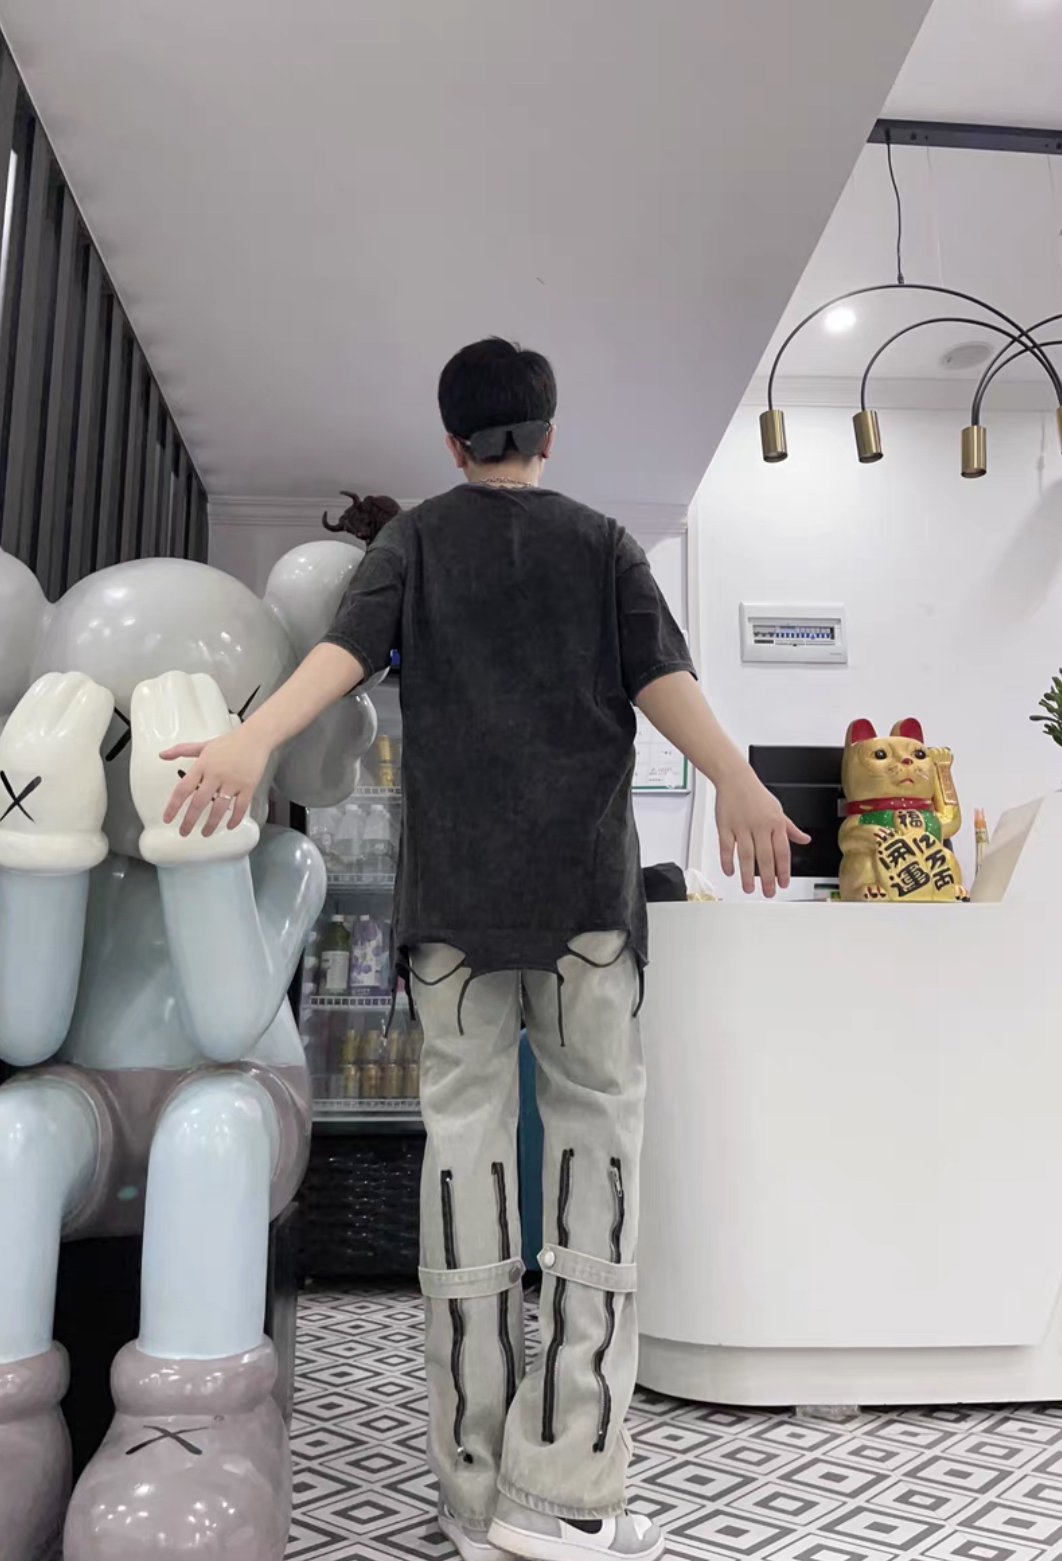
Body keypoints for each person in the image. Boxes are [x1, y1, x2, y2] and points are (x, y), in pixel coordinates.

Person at [162, 338, 806, 1561]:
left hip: (453, 913)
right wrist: (737, 777)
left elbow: (341, 657)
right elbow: (662, 675)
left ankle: (471, 1493)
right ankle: (563, 1486)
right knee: (597, 1170)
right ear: (549, 434)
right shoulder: (603, 544)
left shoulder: (412, 544)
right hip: (586, 909)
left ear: (453, 443)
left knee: (462, 1169)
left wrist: (251, 739)